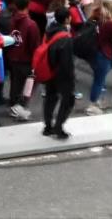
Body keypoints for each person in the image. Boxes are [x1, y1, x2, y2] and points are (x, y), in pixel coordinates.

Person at [42, 7, 76, 139]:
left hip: (49, 70)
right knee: (68, 100)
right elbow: (66, 62)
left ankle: (48, 126)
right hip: (61, 74)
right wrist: (71, 77)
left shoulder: (49, 31)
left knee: (50, 98)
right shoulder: (65, 38)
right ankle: (58, 127)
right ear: (67, 19)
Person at [5, 0, 40, 120]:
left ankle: (13, 105)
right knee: (29, 85)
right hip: (26, 60)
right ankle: (19, 108)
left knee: (15, 83)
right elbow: (35, 46)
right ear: (28, 5)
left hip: (12, 57)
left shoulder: (11, 20)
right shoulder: (31, 25)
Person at [87, 0, 112, 115]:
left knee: (99, 79)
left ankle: (96, 101)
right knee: (99, 80)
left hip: (95, 52)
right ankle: (92, 105)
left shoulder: (97, 19)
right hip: (104, 53)